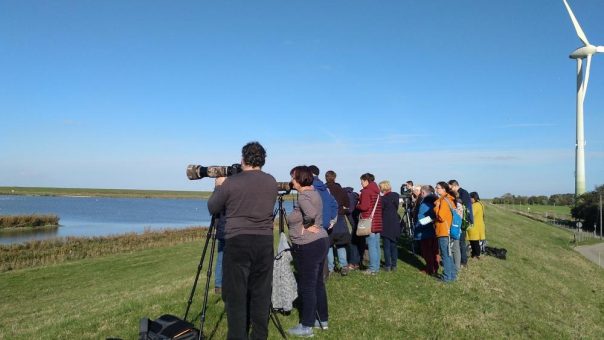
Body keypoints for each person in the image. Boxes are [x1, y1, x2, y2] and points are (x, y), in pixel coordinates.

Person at [207, 141, 278, 340]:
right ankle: (259, 336)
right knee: (261, 293)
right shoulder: (271, 181)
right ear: (262, 160)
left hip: (238, 241)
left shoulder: (232, 182)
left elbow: (213, 207)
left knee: (236, 296)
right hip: (264, 242)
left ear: (243, 159)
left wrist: (217, 187)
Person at [286, 166, 330, 337]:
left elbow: (310, 214)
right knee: (318, 282)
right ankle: (322, 320)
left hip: (309, 245)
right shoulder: (314, 192)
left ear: (299, 179)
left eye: (292, 178)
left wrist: (307, 226)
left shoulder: (303, 196)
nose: (291, 181)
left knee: (307, 286)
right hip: (321, 241)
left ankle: (307, 326)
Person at [324, 170, 351, 276]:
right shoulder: (341, 190)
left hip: (327, 218)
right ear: (335, 178)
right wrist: (342, 210)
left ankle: (330, 268)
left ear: (326, 178)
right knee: (341, 244)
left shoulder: (323, 190)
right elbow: (347, 204)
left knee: (329, 245)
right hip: (339, 217)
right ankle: (344, 266)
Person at [357, 173, 382, 275]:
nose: (361, 183)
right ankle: (376, 267)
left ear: (366, 181)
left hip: (369, 223)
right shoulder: (377, 192)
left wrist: (357, 205)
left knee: (371, 246)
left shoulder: (366, 192)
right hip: (377, 222)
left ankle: (372, 269)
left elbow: (364, 207)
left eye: (362, 181)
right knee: (376, 245)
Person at [434, 181, 457, 282]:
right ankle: (452, 275)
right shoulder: (450, 200)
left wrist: (436, 207)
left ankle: (447, 276)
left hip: (443, 231)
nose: (436, 189)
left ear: (444, 189)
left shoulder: (443, 201)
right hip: (448, 230)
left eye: (438, 187)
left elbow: (441, 217)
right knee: (448, 254)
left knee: (445, 255)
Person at [448, 180, 473, 268]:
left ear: (454, 186)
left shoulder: (463, 193)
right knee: (458, 241)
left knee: (461, 241)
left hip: (462, 221)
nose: (449, 189)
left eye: (450, 187)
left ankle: (463, 261)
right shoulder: (459, 192)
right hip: (459, 221)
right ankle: (459, 260)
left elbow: (466, 208)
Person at [414, 185, 439, 275]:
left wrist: (417, 227)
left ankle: (429, 269)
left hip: (425, 231)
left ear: (423, 193)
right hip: (435, 230)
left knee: (427, 251)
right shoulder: (436, 201)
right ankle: (435, 267)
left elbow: (421, 219)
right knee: (434, 251)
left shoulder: (424, 204)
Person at [379, 180, 401, 271]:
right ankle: (394, 264)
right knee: (394, 245)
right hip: (394, 221)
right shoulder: (395, 195)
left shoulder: (383, 199)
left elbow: (381, 210)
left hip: (386, 222)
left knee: (386, 246)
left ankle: (388, 265)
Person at [343, 186, 363, 271]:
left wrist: (343, 209)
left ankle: (352, 263)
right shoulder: (354, 195)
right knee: (359, 242)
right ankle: (358, 262)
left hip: (353, 222)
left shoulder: (347, 195)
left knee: (352, 243)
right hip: (358, 221)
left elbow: (350, 209)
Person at [468, 192, 485, 259]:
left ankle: (476, 255)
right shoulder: (480, 204)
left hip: (475, 226)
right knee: (474, 241)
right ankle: (475, 254)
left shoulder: (475, 205)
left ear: (473, 198)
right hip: (479, 224)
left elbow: (471, 214)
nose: (469, 200)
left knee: (474, 241)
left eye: (470, 198)